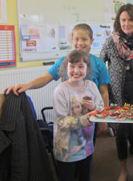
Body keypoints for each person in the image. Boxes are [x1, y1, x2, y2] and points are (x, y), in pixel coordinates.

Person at [4, 23, 111, 139]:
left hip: (90, 115)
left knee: (88, 147)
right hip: (69, 117)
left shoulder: (99, 64)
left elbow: (104, 92)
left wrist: (103, 118)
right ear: (71, 40)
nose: (80, 43)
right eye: (76, 39)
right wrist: (27, 86)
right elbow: (45, 78)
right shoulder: (64, 62)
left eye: (84, 39)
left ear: (91, 40)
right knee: (70, 147)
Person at [99, 3, 133, 181]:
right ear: (118, 21)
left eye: (130, 19)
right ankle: (123, 169)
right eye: (123, 20)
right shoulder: (110, 42)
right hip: (117, 95)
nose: (126, 23)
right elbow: (100, 65)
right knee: (121, 132)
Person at [53, 50, 104, 181]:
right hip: (66, 148)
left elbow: (101, 108)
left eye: (80, 66)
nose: (76, 70)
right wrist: (84, 119)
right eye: (72, 66)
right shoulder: (61, 90)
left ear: (87, 69)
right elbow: (62, 121)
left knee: (85, 176)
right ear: (66, 68)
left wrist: (94, 107)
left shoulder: (92, 86)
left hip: (86, 145)